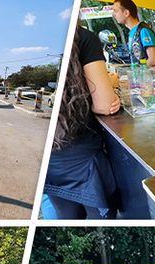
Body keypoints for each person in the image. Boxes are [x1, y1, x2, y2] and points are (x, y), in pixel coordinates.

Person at [43, 26, 121, 219]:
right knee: (102, 223)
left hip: (53, 161)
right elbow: (105, 105)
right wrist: (109, 84)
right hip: (84, 164)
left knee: (67, 220)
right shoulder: (84, 38)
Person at [112, 0, 155, 67]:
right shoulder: (132, 32)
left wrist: (138, 70)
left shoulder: (143, 31)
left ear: (126, 13)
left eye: (115, 11)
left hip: (147, 76)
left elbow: (153, 60)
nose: (113, 14)